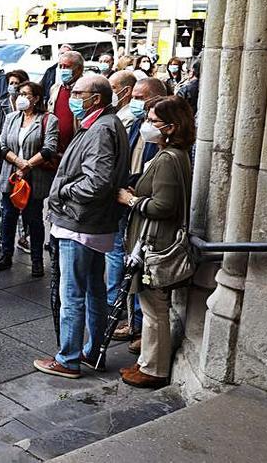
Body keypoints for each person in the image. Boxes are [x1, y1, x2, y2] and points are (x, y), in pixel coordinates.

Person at [34, 74, 129, 379]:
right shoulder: (102, 124)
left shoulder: (101, 128)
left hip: (80, 223)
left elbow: (97, 182)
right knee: (93, 290)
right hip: (90, 223)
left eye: (78, 92)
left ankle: (68, 358)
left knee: (73, 292)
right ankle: (92, 352)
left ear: (96, 98)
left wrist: (63, 192)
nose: (72, 96)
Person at [117, 95, 194, 388]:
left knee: (154, 309)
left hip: (156, 244)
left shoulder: (168, 158)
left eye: (153, 121)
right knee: (151, 307)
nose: (147, 125)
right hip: (153, 240)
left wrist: (131, 199)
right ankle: (147, 362)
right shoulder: (171, 155)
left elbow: (163, 206)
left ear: (171, 127)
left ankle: (154, 369)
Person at [105, 77, 168, 349]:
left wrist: (134, 198)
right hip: (127, 201)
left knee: (140, 267)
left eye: (141, 97)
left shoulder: (165, 141)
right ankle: (123, 317)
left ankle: (139, 326)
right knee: (121, 257)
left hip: (143, 208)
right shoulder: (139, 127)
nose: (135, 101)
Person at [0, 81, 58, 278]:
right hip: (11, 176)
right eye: (20, 93)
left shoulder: (48, 120)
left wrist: (28, 165)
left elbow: (49, 148)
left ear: (36, 98)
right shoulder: (12, 118)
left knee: (34, 219)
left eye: (26, 94)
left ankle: (37, 260)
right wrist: (18, 162)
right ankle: (6, 253)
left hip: (34, 178)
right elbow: (2, 144)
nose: (21, 97)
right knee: (8, 216)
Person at [0, 69, 30, 254]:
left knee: (23, 203)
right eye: (11, 83)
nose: (13, 87)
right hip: (4, 162)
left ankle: (23, 236)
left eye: (17, 84)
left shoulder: (32, 112)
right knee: (2, 205)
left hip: (25, 164)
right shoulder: (1, 106)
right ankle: (1, 238)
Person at [48, 51, 85, 161]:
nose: (63, 70)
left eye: (67, 66)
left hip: (76, 150)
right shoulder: (55, 88)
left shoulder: (86, 89)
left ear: (79, 69)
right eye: (61, 66)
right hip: (54, 149)